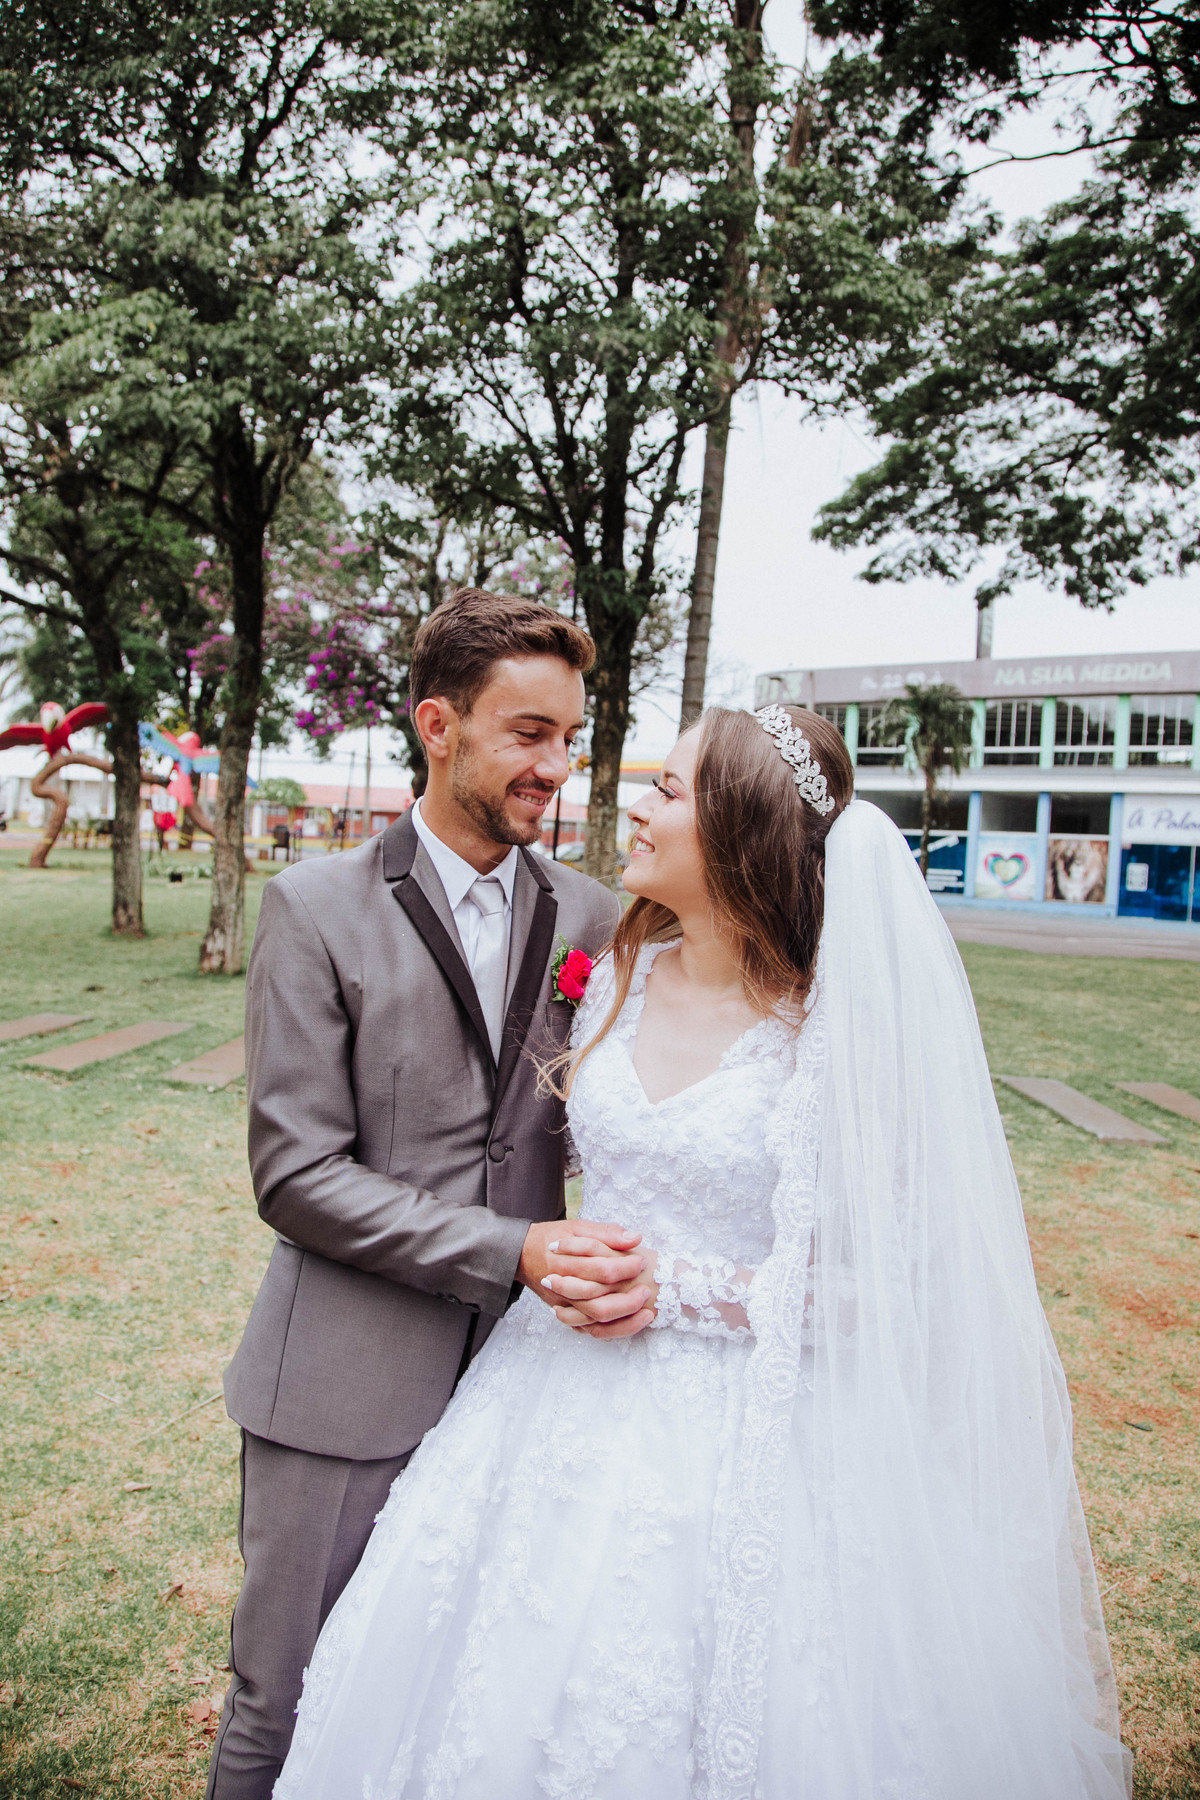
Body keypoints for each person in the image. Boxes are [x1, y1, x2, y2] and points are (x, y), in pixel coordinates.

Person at [272, 703, 1132, 1800]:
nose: (637, 807)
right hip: (548, 1394)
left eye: (669, 790)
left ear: (738, 830)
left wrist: (676, 1289)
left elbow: (892, 1288)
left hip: (756, 1431)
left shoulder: (834, 1032)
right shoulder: (614, 979)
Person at [206, 590, 635, 1800]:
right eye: (528, 733)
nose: (557, 766)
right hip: (341, 1386)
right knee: (285, 1702)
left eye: (570, 737)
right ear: (436, 726)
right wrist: (514, 1251)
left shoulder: (596, 917)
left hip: (530, 1392)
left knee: (453, 1701)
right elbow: (295, 1175)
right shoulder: (313, 908)